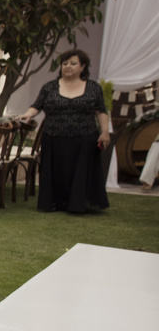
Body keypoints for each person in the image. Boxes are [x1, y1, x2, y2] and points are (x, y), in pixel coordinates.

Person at [15, 48, 110, 213]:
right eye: (65, 63)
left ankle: (78, 204)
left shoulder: (94, 88)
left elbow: (101, 111)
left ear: (83, 66)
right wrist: (27, 115)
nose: (68, 67)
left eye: (73, 64)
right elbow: (37, 106)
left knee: (81, 172)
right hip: (54, 137)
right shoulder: (49, 87)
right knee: (55, 172)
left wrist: (105, 131)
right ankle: (53, 202)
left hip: (84, 138)